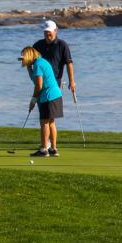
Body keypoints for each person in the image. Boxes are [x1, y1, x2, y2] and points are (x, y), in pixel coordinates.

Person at [33, 20, 76, 148]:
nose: (47, 35)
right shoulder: (37, 45)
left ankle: (47, 146)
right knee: (46, 117)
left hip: (55, 84)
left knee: (48, 118)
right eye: (45, 32)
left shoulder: (62, 45)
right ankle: (49, 145)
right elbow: (32, 61)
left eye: (49, 32)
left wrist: (72, 81)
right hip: (41, 83)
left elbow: (69, 63)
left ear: (55, 31)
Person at [19, 46, 64, 157]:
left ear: (29, 55)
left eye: (24, 57)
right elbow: (34, 80)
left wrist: (33, 100)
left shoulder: (38, 65)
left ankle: (44, 150)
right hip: (56, 95)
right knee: (51, 122)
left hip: (48, 97)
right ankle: (53, 149)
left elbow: (38, 86)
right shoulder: (41, 62)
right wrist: (28, 67)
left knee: (44, 123)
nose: (22, 60)